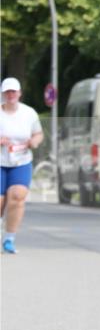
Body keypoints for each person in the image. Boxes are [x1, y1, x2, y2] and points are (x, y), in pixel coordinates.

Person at [0, 77, 44, 253]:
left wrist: (34, 142)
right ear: (3, 94)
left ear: (19, 93)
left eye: (14, 91)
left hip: (21, 161)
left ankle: (9, 238)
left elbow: (38, 134)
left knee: (17, 196)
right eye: (7, 92)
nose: (11, 95)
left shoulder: (29, 113)